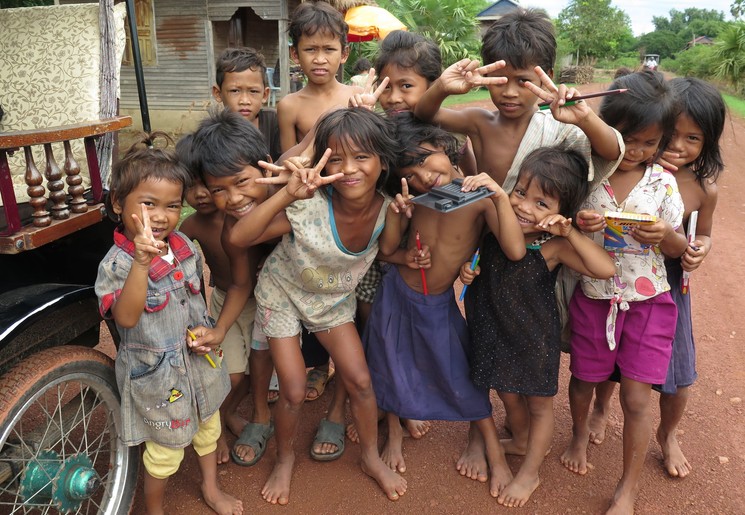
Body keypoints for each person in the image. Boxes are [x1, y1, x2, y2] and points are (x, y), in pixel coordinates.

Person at [227, 107, 408, 505]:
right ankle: (285, 458)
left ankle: (371, 458)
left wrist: (399, 220)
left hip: (332, 302)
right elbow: (240, 237)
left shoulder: (386, 208)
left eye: (362, 157)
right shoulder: (309, 205)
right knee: (291, 389)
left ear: (383, 160)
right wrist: (288, 195)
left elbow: (389, 249)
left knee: (360, 380)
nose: (350, 169)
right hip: (283, 293)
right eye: (336, 158)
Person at [365, 112, 525, 493]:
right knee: (389, 364)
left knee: (461, 377)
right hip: (396, 294)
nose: (423, 177)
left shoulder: (482, 198)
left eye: (424, 160)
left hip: (437, 302)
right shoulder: (416, 199)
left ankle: (495, 454)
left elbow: (515, 251)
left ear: (443, 146)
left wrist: (498, 194)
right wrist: (396, 219)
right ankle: (395, 431)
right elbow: (387, 252)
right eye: (411, 172)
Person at [584, 77, 725, 479]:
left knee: (677, 375)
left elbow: (705, 234)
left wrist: (700, 248)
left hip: (668, 287)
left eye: (693, 138)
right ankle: (599, 408)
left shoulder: (702, 188)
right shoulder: (631, 168)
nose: (677, 147)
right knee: (611, 361)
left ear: (708, 142)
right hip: (619, 278)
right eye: (670, 135)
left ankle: (669, 433)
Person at [561, 70, 688, 514]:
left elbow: (680, 246)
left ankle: (627, 488)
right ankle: (579, 434)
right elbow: (564, 221)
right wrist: (581, 223)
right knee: (583, 379)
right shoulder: (587, 174)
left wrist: (664, 234)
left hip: (650, 301)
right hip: (595, 296)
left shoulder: (664, 183)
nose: (637, 151)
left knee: (637, 397)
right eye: (628, 139)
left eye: (650, 143)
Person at [94, 134, 242, 515]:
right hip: (158, 376)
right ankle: (154, 509)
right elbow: (125, 319)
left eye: (172, 206)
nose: (161, 216)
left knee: (209, 425)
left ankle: (211, 487)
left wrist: (208, 329)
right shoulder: (117, 265)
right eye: (148, 204)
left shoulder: (184, 247)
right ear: (116, 203)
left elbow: (197, 299)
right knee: (165, 449)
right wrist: (141, 263)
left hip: (197, 363)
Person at [459, 147, 615, 507]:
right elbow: (477, 260)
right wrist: (468, 271)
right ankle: (521, 440)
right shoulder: (496, 226)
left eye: (541, 203)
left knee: (541, 404)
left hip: (533, 338)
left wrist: (570, 232)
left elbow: (605, 269)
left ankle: (530, 472)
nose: (524, 207)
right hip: (491, 326)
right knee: (505, 393)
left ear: (562, 212)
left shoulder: (553, 246)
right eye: (520, 193)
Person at [414, 8, 622, 193]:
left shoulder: (558, 126)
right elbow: (425, 114)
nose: (509, 92)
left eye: (522, 80)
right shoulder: (479, 122)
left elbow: (612, 151)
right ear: (486, 77)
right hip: (488, 227)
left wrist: (584, 118)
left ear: (545, 77)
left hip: (538, 230)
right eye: (499, 81)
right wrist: (442, 86)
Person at [179, 112, 278, 469]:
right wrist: (219, 327)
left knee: (260, 368)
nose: (231, 198)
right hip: (230, 302)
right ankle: (218, 425)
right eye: (216, 188)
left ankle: (248, 414)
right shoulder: (218, 228)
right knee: (233, 376)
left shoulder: (278, 196)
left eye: (240, 182)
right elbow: (239, 282)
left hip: (271, 304)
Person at [277, 1, 361, 152]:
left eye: (329, 49)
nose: (320, 59)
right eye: (310, 49)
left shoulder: (357, 97)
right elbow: (287, 161)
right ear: (295, 54)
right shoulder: (289, 105)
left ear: (344, 54)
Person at [213, 47, 281, 161]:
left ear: (265, 94)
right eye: (235, 91)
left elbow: (285, 160)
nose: (245, 101)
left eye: (253, 91)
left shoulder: (274, 121)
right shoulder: (213, 132)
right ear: (218, 93)